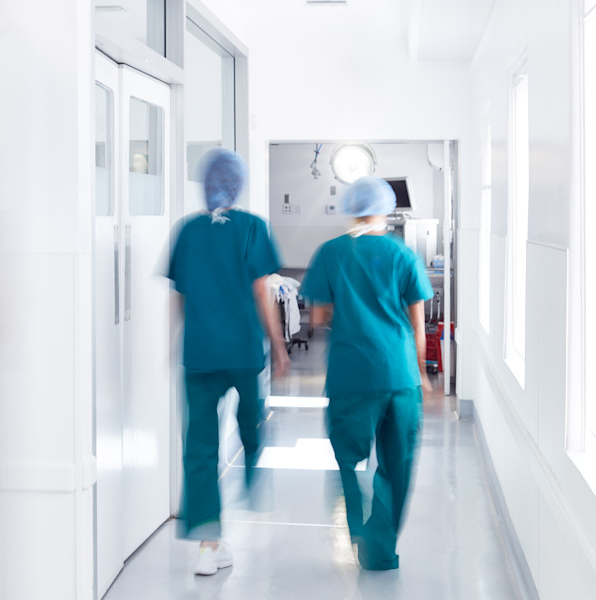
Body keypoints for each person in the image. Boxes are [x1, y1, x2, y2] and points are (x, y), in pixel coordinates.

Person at [167, 149, 290, 576]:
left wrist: (174, 344)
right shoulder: (253, 227)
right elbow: (262, 292)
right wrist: (277, 343)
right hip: (241, 350)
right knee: (252, 420)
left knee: (199, 447)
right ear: (238, 184)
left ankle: (207, 544)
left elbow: (178, 296)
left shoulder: (187, 231)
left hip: (200, 354)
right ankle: (254, 474)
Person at [302, 175, 433, 571]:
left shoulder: (330, 252)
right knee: (397, 464)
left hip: (351, 375)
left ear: (351, 209)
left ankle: (358, 531)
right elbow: (417, 322)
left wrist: (352, 310)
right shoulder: (401, 254)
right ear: (385, 209)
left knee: (349, 461)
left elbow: (320, 314)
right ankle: (379, 551)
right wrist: (423, 374)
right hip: (398, 375)